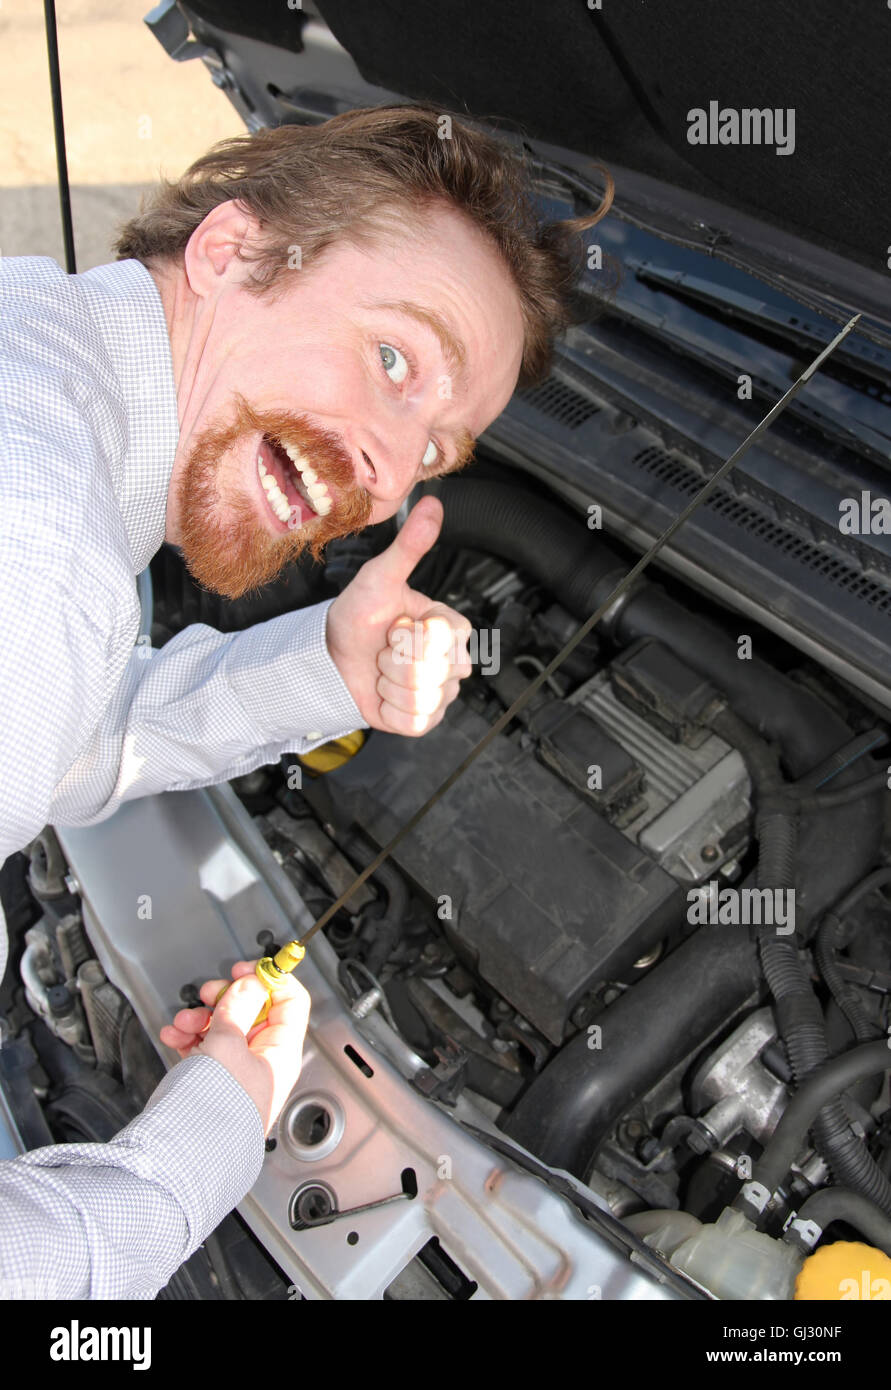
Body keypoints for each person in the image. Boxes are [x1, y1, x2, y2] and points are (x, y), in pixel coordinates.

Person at [0, 105, 610, 1297]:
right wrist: (202, 1147)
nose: (385, 476)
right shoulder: (35, 571)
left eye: (432, 453)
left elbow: (73, 740)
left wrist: (320, 668)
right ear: (230, 248)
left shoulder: (37, 351)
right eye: (395, 359)